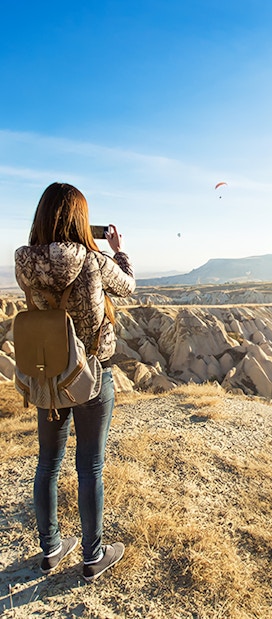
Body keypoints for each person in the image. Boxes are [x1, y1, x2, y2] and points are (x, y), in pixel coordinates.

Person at [14, 182, 136, 582]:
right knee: (90, 466)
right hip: (91, 375)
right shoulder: (92, 260)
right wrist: (117, 250)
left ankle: (50, 548)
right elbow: (129, 288)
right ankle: (92, 556)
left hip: (48, 374)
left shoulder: (24, 262)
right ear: (82, 221)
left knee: (47, 463)